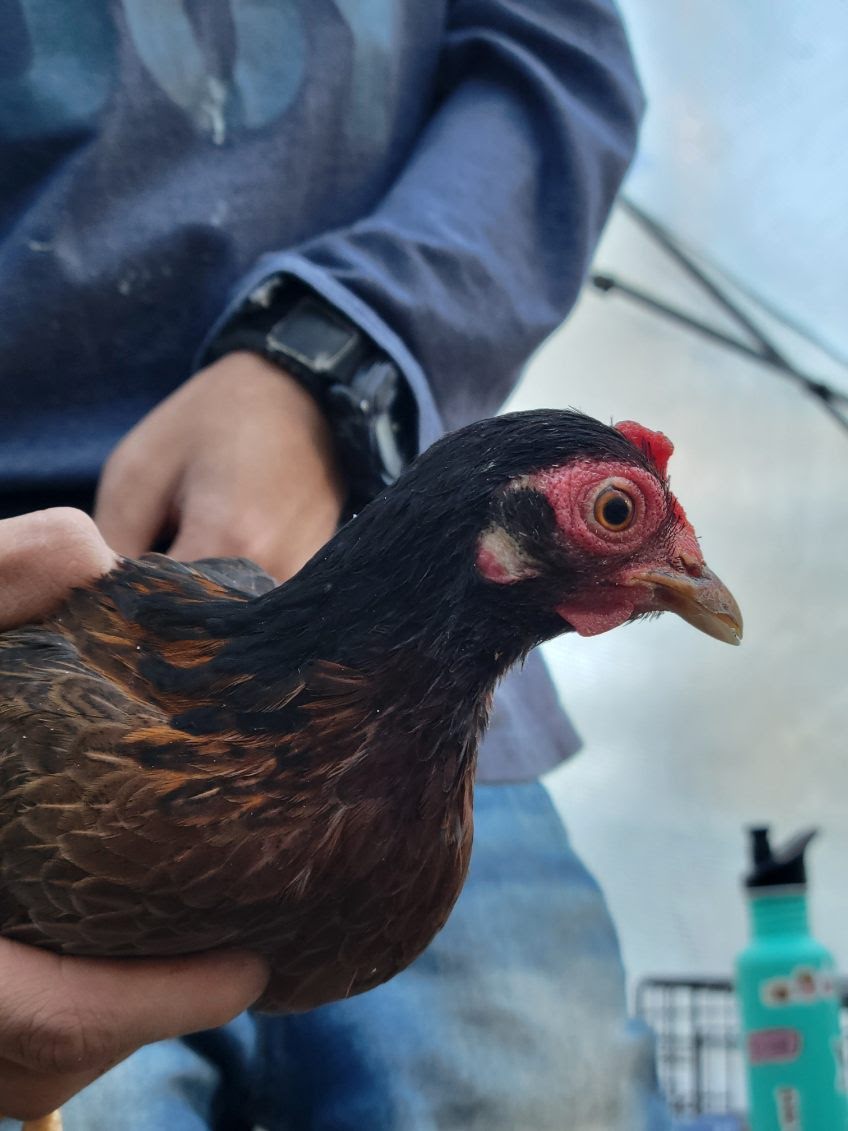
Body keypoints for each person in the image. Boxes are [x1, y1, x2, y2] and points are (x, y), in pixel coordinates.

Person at [0, 3, 670, 1128]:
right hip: (34, 599)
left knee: (539, 1095)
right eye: (616, 512)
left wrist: (336, 359)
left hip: (442, 741)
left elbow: (559, 66)